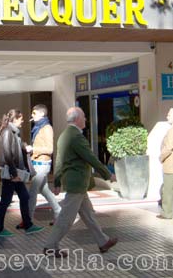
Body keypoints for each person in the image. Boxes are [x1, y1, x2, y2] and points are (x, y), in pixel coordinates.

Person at [43, 107, 117, 258]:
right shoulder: (75, 136)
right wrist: (108, 174)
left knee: (88, 214)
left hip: (76, 183)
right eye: (84, 117)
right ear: (77, 119)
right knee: (66, 218)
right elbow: (91, 158)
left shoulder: (64, 135)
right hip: (77, 184)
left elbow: (59, 160)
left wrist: (57, 181)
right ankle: (50, 246)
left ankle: (103, 242)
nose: (85, 119)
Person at [0, 109, 44, 237]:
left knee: (24, 197)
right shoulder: (7, 132)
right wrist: (14, 173)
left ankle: (28, 225)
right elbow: (7, 153)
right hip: (11, 173)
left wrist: (24, 146)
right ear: (15, 119)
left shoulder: (14, 133)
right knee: (6, 200)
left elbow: (15, 147)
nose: (22, 120)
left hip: (14, 172)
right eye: (21, 118)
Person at [25, 104, 61, 226]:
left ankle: (28, 220)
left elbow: (50, 149)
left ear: (41, 114)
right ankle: (58, 211)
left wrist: (33, 148)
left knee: (32, 192)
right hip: (37, 164)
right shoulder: (38, 128)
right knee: (44, 190)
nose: (32, 116)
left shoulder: (46, 128)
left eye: (34, 113)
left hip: (42, 164)